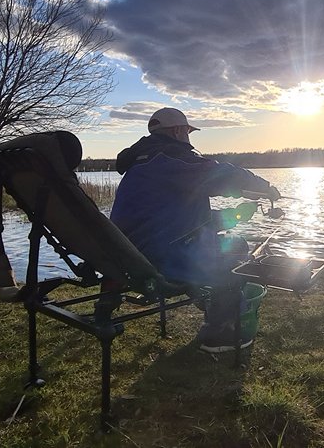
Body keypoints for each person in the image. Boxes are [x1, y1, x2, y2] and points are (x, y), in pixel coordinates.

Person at [110, 107, 280, 352]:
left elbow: (181, 219)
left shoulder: (141, 164)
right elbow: (222, 174)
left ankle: (210, 300)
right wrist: (265, 187)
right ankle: (220, 333)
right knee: (237, 250)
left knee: (223, 242)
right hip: (162, 259)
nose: (189, 137)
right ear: (179, 131)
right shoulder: (171, 159)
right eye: (189, 131)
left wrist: (237, 215)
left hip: (132, 255)